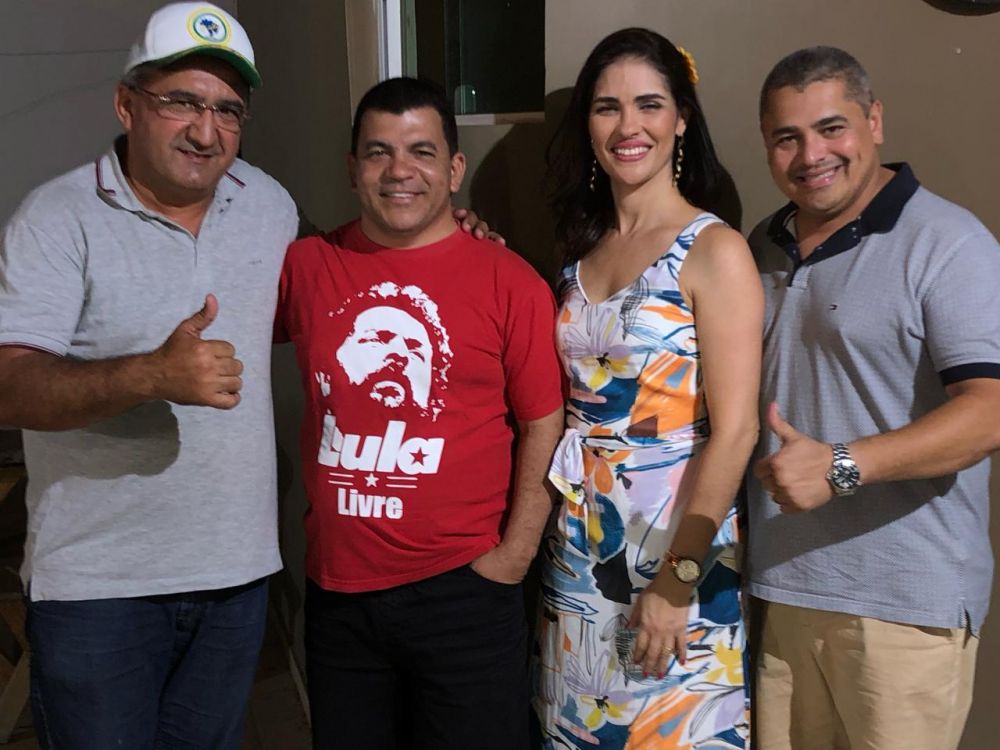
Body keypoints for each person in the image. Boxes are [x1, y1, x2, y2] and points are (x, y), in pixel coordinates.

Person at [0, 3, 492, 747]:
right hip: (101, 589)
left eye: (228, 110)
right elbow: (11, 386)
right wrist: (149, 376)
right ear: (127, 104)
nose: (206, 131)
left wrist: (453, 233)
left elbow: (349, 275)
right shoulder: (57, 216)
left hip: (234, 580)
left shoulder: (264, 202)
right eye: (182, 102)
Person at [274, 77, 565, 750]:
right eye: (378, 152)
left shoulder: (509, 280)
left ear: (454, 169)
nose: (399, 170)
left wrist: (514, 556)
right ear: (352, 169)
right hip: (338, 595)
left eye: (421, 151)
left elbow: (544, 422)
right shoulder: (307, 267)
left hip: (465, 591)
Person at [749, 46, 1000, 750]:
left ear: (875, 121)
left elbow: (990, 410)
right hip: (782, 592)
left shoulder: (948, 242)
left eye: (831, 128)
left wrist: (842, 464)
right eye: (787, 137)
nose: (811, 155)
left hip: (903, 604)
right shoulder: (762, 245)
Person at [533, 28, 762, 749]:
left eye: (649, 104)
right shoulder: (579, 248)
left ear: (682, 119)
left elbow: (737, 431)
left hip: (672, 550)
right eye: (607, 107)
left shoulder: (714, 249)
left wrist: (678, 578)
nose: (627, 126)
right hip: (578, 551)